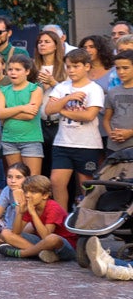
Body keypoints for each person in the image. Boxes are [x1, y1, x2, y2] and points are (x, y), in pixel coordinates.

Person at [45, 48, 105, 211]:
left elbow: (89, 115)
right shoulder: (62, 87)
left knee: (86, 185)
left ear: (87, 66)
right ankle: (61, 219)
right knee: (56, 182)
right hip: (62, 143)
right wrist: (68, 98)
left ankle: (86, 217)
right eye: (68, 66)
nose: (71, 70)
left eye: (75, 66)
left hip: (87, 144)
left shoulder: (94, 89)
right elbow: (49, 109)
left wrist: (62, 110)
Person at [0, 174, 76, 262]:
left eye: (33, 192)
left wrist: (33, 213)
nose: (27, 195)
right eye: (26, 192)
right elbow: (16, 232)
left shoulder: (53, 208)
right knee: (6, 232)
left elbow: (46, 236)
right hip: (43, 244)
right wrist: (20, 212)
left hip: (64, 246)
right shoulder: (30, 205)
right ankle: (41, 253)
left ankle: (22, 253)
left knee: (52, 238)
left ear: (45, 195)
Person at [0, 55, 44, 176]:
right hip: (9, 139)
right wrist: (22, 108)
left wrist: (7, 114)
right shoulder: (3, 90)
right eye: (10, 69)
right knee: (15, 179)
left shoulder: (35, 89)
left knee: (32, 180)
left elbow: (30, 115)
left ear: (27, 71)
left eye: (17, 69)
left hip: (31, 140)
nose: (13, 73)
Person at [105, 50, 133, 152]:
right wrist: (112, 135)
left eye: (125, 68)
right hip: (115, 148)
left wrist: (130, 132)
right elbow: (107, 119)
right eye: (118, 68)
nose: (121, 72)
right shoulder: (113, 91)